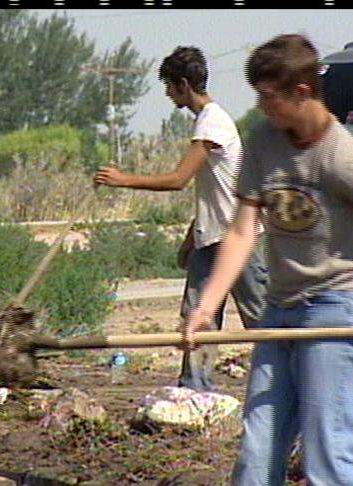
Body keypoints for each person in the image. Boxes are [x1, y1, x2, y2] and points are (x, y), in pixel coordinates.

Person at [181, 34, 353, 485]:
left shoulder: (342, 159)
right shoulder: (263, 141)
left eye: (268, 97)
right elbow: (243, 231)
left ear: (301, 93)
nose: (263, 108)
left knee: (329, 459)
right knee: (257, 456)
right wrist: (205, 308)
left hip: (335, 311)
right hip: (279, 310)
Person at [94, 46, 268, 392]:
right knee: (196, 317)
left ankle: (293, 382)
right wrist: (192, 238)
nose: (167, 94)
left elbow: (178, 180)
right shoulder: (206, 122)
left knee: (261, 318)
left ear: (184, 85)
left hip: (238, 238)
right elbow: (213, 190)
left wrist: (122, 180)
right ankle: (193, 390)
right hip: (212, 238)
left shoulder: (212, 122)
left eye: (169, 87)